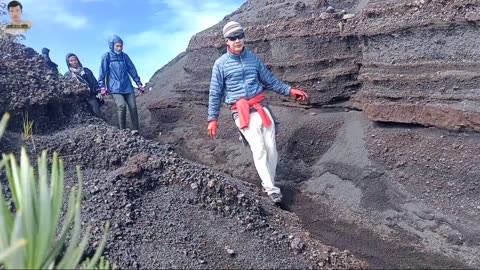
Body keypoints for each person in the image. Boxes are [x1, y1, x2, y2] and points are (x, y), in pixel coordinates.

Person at [207, 21, 309, 204]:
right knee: (259, 149)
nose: (238, 40)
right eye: (233, 38)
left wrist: (290, 90)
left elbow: (270, 81)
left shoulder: (253, 58)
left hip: (261, 107)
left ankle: (267, 183)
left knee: (271, 150)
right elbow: (215, 93)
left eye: (240, 36)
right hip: (242, 112)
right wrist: (212, 119)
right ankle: (272, 190)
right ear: (226, 41)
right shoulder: (220, 65)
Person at [98, 35, 144, 131]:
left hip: (127, 86)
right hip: (114, 87)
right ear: (112, 46)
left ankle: (136, 130)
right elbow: (102, 72)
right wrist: (102, 86)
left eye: (121, 46)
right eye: (117, 46)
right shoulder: (107, 56)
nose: (119, 48)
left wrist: (138, 83)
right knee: (122, 106)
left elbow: (132, 69)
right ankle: (122, 131)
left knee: (133, 107)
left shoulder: (124, 56)